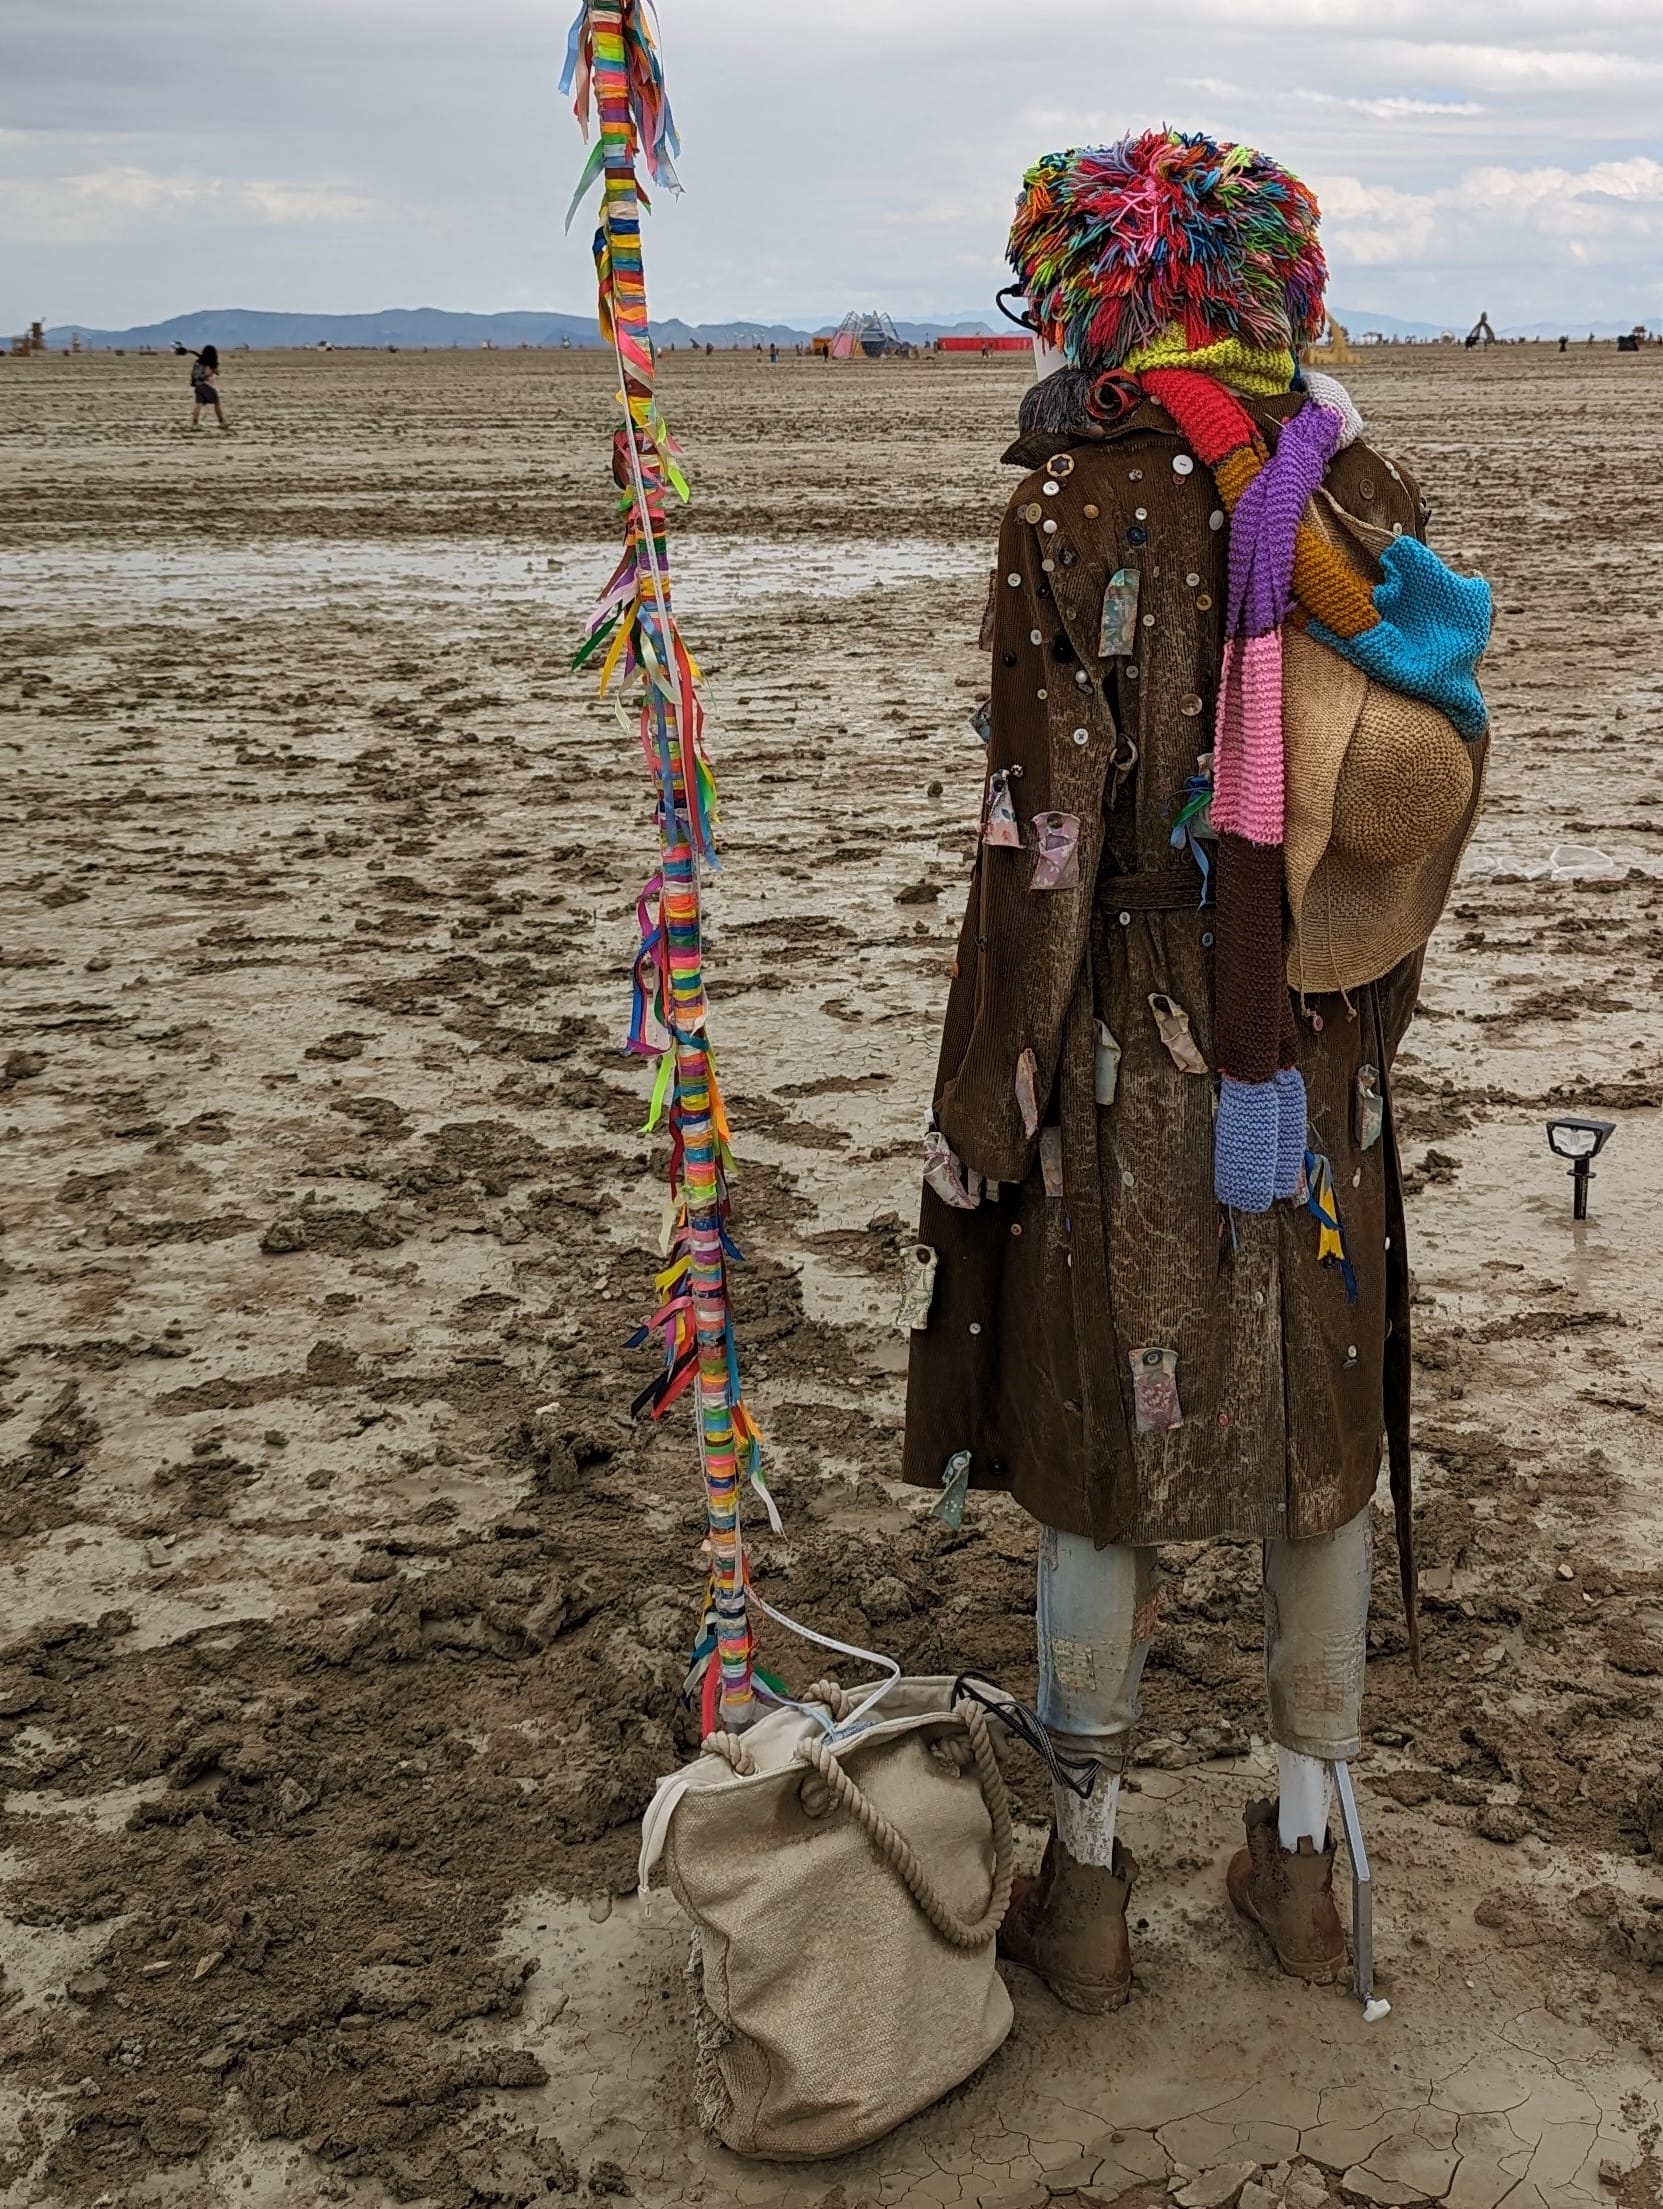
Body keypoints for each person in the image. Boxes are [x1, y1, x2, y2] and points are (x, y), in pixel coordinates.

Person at [902, 129, 1491, 2012]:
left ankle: (1083, 1894)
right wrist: (1355, 1025)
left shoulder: (1064, 502)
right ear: (1267, 286)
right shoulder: (1355, 484)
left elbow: (1037, 840)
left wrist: (988, 1104)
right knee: (1313, 1445)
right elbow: (1409, 793)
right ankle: (1302, 1869)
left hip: (1121, 1037)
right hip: (1312, 1026)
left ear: (1086, 287)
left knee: (1102, 1448)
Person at [188, 344, 228, 430]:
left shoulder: (198, 362)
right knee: (217, 402)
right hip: (206, 385)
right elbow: (216, 373)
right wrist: (213, 370)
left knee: (198, 404)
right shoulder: (210, 363)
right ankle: (222, 422)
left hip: (198, 386)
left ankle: (195, 424)